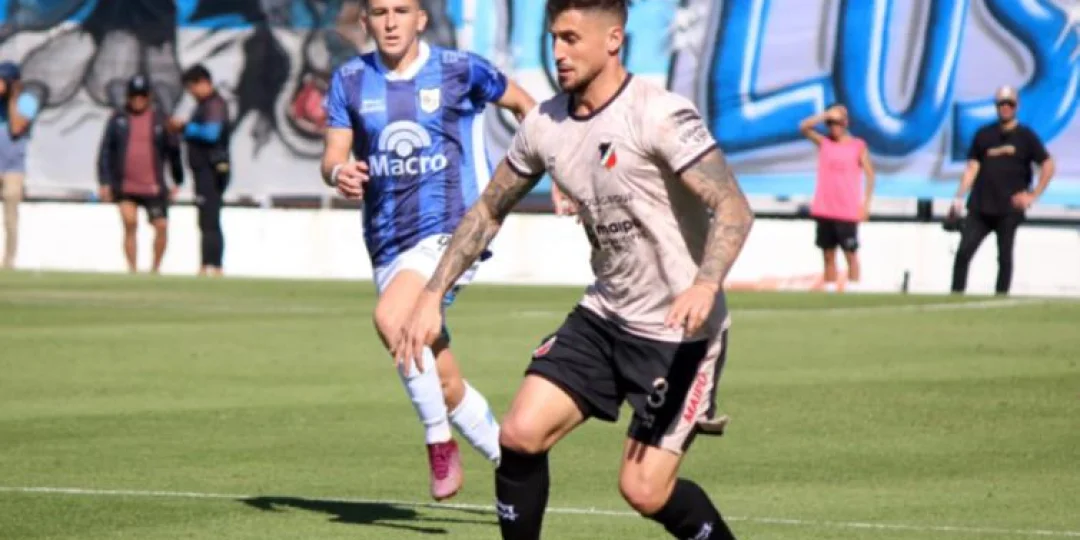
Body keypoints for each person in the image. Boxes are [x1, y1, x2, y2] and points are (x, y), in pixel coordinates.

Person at [394, 1, 755, 538]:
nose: (558, 52)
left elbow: (733, 207)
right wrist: (431, 294)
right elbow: (489, 209)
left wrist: (705, 283)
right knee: (519, 435)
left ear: (613, 40)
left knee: (644, 490)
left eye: (571, 38)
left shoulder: (658, 113)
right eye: (553, 38)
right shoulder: (544, 124)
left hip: (680, 333)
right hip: (604, 316)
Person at [320, 0, 536, 501]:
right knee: (443, 381)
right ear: (366, 21)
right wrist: (339, 172)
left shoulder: (460, 69)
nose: (390, 21)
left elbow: (526, 106)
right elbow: (332, 155)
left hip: (454, 228)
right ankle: (515, 472)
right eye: (380, 12)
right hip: (386, 241)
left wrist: (552, 171)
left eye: (402, 10)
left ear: (421, 19)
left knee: (391, 317)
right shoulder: (349, 80)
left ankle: (439, 443)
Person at [950, 85, 1055, 295]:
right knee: (963, 253)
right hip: (981, 205)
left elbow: (1048, 164)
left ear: (1016, 106)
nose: (1005, 107)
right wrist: (958, 197)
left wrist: (1033, 195)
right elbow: (972, 167)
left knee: (1004, 257)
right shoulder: (984, 135)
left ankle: (1001, 297)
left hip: (1009, 208)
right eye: (1001, 104)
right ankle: (956, 295)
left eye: (1009, 104)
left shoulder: (1025, 136)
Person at [97, 75, 185, 274]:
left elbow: (173, 152)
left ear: (149, 97)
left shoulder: (161, 120)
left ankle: (155, 268)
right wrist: (105, 181)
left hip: (153, 186)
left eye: (142, 95)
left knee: (161, 225)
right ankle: (132, 269)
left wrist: (177, 180)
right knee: (130, 223)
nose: (138, 100)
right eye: (134, 95)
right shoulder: (118, 119)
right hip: (126, 185)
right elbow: (106, 151)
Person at [799, 104, 875, 292]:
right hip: (825, 208)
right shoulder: (825, 143)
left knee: (850, 253)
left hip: (847, 210)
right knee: (828, 254)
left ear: (845, 124)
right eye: (831, 123)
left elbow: (870, 175)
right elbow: (803, 127)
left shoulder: (857, 146)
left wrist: (866, 204)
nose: (834, 127)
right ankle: (830, 290)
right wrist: (825, 114)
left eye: (838, 123)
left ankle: (854, 289)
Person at [170, 65, 231, 277]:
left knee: (210, 218)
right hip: (203, 170)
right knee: (206, 219)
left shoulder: (214, 104)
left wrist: (185, 128)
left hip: (212, 170)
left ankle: (212, 265)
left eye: (192, 88)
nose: (192, 93)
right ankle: (208, 263)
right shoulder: (205, 105)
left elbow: (211, 133)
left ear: (203, 83)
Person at [0, 61, 41, 270]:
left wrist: (12, 98)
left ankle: (8, 263)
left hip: (12, 169)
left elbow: (16, 127)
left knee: (10, 218)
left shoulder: (27, 101)